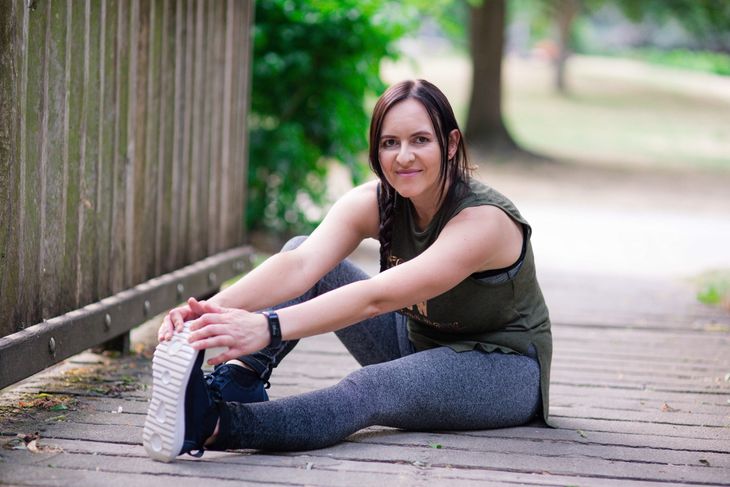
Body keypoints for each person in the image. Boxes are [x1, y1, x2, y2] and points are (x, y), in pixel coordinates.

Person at [142, 79, 552, 462]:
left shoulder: (483, 222)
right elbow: (301, 265)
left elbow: (376, 298)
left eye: (420, 140)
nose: (403, 156)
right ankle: (237, 380)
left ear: (450, 144)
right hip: (416, 341)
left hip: (500, 369)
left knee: (369, 389)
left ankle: (211, 424)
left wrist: (267, 325)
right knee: (302, 247)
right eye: (390, 143)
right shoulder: (377, 202)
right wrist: (208, 310)